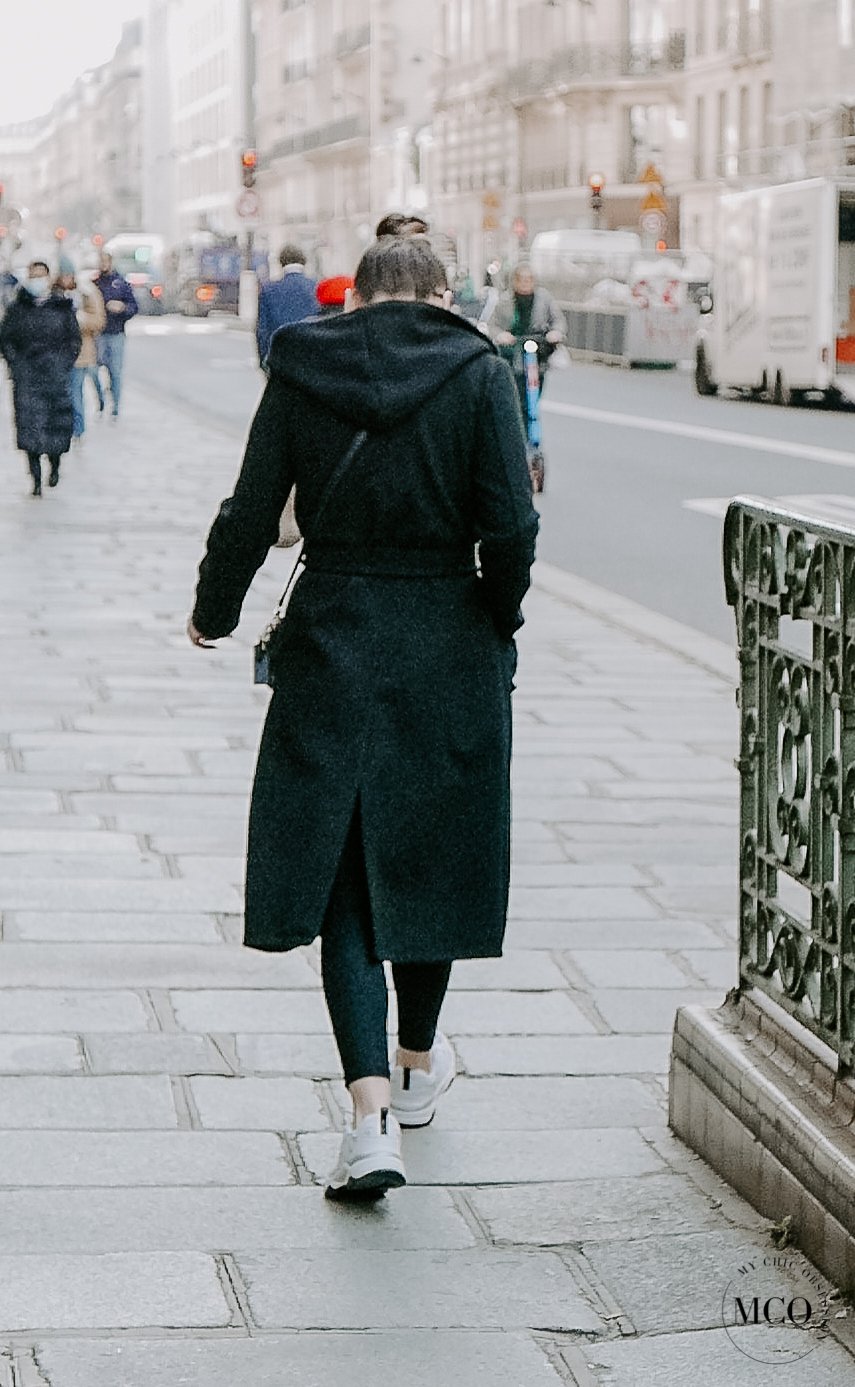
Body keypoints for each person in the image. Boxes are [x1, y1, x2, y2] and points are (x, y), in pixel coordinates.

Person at [188, 236, 538, 1200]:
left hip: (334, 635)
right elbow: (511, 523)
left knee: (344, 879)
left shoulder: (303, 362)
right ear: (438, 294)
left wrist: (212, 609)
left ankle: (368, 1113)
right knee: (433, 852)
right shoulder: (479, 370)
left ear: (356, 296)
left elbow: (253, 507)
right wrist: (494, 615)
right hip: (446, 641)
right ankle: (419, 1066)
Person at [0, 260, 81, 496]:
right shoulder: (18, 309)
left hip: (55, 375)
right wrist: (17, 364)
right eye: (32, 275)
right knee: (29, 428)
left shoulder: (61, 308)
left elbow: (73, 340)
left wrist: (63, 363)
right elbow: (6, 339)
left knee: (56, 425)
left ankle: (54, 465)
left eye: (40, 276)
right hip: (27, 377)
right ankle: (35, 478)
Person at [491, 262, 566, 420]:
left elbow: (558, 320)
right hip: (514, 351)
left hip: (537, 351)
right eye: (521, 279)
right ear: (514, 281)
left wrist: (556, 333)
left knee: (535, 389)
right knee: (517, 393)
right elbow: (493, 325)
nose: (525, 283)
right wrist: (501, 336)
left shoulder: (544, 299)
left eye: (529, 279)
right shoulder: (505, 300)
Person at [55, 258, 106, 444]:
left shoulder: (86, 293)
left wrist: (79, 320)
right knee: (63, 394)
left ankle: (78, 430)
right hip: (56, 354)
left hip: (80, 353)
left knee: (75, 392)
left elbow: (99, 321)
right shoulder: (53, 295)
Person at [93, 251, 138, 420]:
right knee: (93, 370)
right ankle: (100, 399)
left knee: (116, 372)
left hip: (116, 333)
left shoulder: (120, 284)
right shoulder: (95, 284)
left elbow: (133, 306)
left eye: (106, 261)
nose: (103, 264)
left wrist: (123, 308)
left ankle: (115, 406)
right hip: (99, 334)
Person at [256, 244, 317, 367]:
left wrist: (264, 360)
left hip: (279, 355)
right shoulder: (316, 287)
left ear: (281, 262)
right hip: (310, 354)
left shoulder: (269, 290)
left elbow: (262, 329)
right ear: (304, 261)